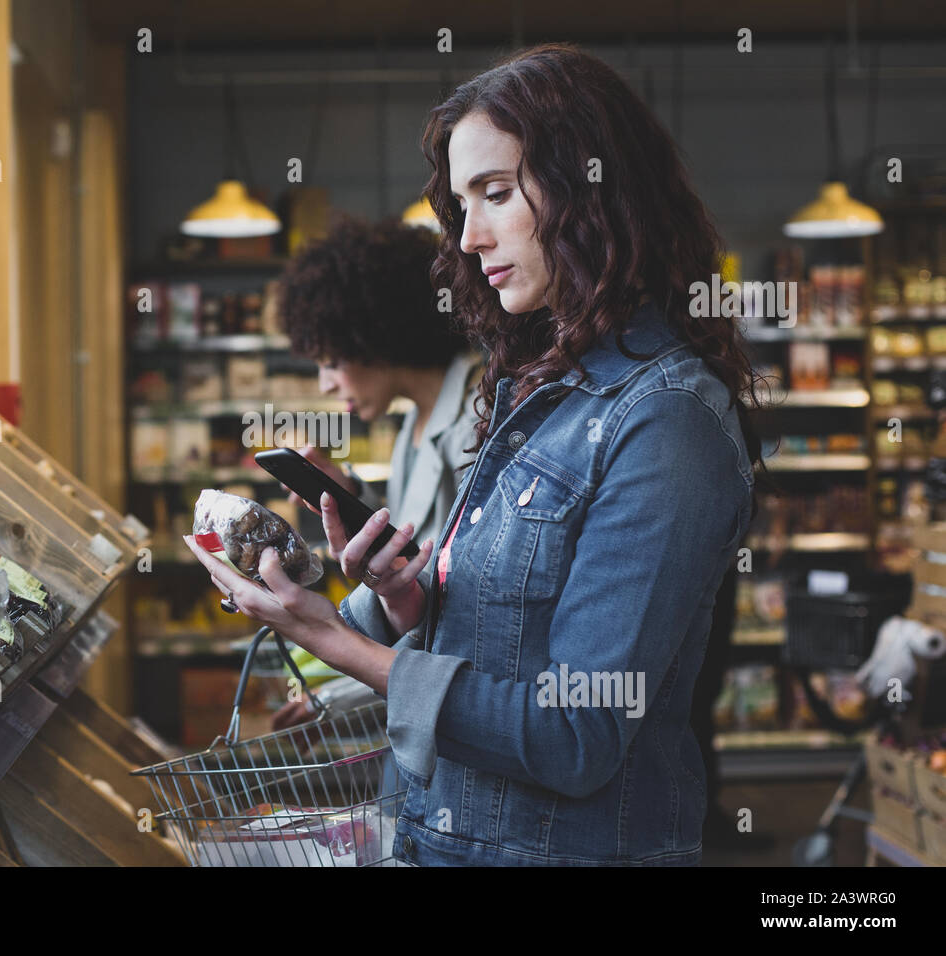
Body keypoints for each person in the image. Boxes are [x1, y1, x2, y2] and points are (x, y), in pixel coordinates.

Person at [185, 43, 761, 866]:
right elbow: (509, 642)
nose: (471, 233)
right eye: (461, 203)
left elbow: (576, 731)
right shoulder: (533, 388)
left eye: (496, 193)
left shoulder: (666, 422)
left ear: (593, 190)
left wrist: (342, 644)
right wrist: (412, 603)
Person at [266, 216, 483, 730]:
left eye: (331, 360)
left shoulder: (482, 414)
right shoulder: (415, 418)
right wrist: (350, 497)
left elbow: (455, 602)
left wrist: (336, 699)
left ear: (374, 335)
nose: (324, 384)